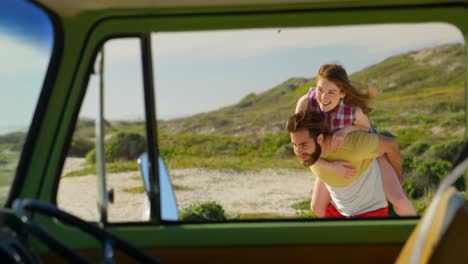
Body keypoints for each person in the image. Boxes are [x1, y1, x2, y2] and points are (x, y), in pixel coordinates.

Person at [295, 64, 416, 217]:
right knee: (317, 207)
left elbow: (366, 129)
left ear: (343, 93)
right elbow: (299, 149)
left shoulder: (353, 109)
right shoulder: (305, 104)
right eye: (320, 90)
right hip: (329, 154)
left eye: (331, 92)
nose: (324, 98)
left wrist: (346, 130)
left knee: (399, 201)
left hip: (368, 152)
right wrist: (330, 167)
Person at [287, 111, 402, 217]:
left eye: (303, 145)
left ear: (320, 138)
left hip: (370, 211)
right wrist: (331, 166)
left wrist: (398, 180)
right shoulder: (309, 154)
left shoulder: (352, 145)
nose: (298, 151)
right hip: (338, 208)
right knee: (317, 208)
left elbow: (391, 145)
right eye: (294, 145)